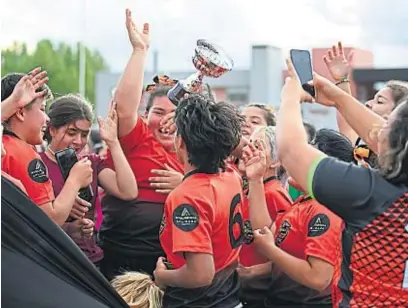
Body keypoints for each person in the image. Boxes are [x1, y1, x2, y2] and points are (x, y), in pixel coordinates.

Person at [275, 57, 408, 307]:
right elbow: (377, 134)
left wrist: (290, 97)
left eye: (387, 123)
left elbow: (291, 151)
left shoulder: (372, 193)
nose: (379, 129)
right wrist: (338, 97)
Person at [99, 9, 184, 279]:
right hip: (120, 257)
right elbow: (124, 109)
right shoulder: (139, 138)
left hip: (169, 266)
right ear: (146, 116)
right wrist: (139, 51)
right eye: (159, 112)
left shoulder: (198, 154)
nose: (166, 121)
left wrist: (185, 184)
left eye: (175, 114)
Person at [245, 129, 355, 307]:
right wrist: (255, 180)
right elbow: (265, 234)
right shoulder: (304, 202)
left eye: (304, 156)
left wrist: (270, 251)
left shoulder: (324, 210)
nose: (296, 161)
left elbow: (318, 278)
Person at [153, 95, 245, 308]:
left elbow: (200, 275)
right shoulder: (231, 176)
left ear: (180, 142)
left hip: (199, 302)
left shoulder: (187, 196)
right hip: (229, 297)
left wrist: (162, 276)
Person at [40, 95, 137, 266]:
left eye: (84, 134)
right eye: (71, 133)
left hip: (90, 260)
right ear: (52, 130)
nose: (78, 141)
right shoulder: (36, 164)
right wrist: (68, 225)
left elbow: (128, 191)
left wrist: (113, 142)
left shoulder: (90, 163)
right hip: (52, 260)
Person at [1, 69, 93, 226]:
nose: (47, 118)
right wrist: (75, 180)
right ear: (21, 112)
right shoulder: (24, 154)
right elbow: (50, 221)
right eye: (43, 109)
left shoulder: (5, 145)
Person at [323, 41, 408, 167]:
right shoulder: (361, 146)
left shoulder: (400, 158)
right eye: (372, 99)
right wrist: (342, 80)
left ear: (398, 112)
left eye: (380, 101)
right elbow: (347, 120)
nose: (368, 104)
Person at [238, 126, 292, 308]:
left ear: (276, 162)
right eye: (250, 144)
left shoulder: (274, 193)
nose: (249, 150)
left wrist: (250, 272)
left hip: (259, 293)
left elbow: (284, 248)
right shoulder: (248, 189)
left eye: (258, 146)